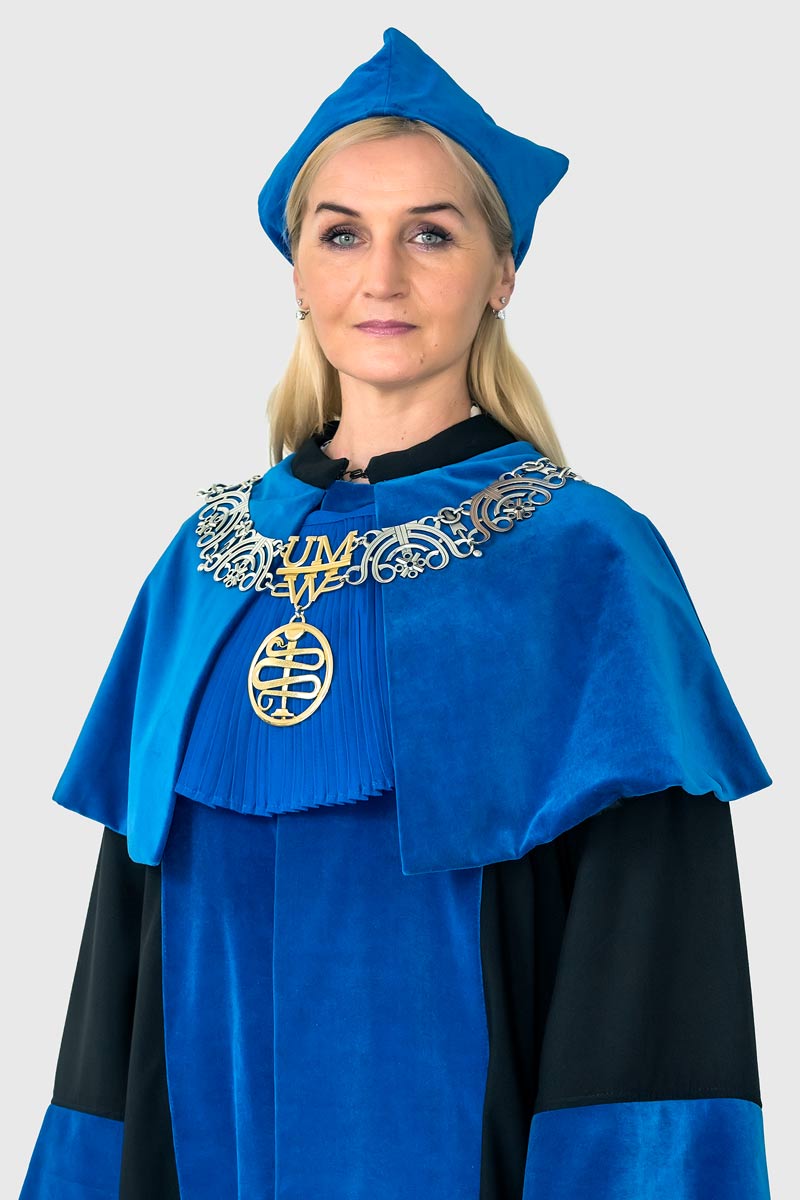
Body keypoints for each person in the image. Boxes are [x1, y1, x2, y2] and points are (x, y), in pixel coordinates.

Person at [20, 26, 773, 1200]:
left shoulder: (586, 562)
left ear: (500, 273)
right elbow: (119, 963)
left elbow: (649, 977)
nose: (381, 277)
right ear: (296, 271)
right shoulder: (201, 568)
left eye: (429, 233)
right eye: (341, 234)